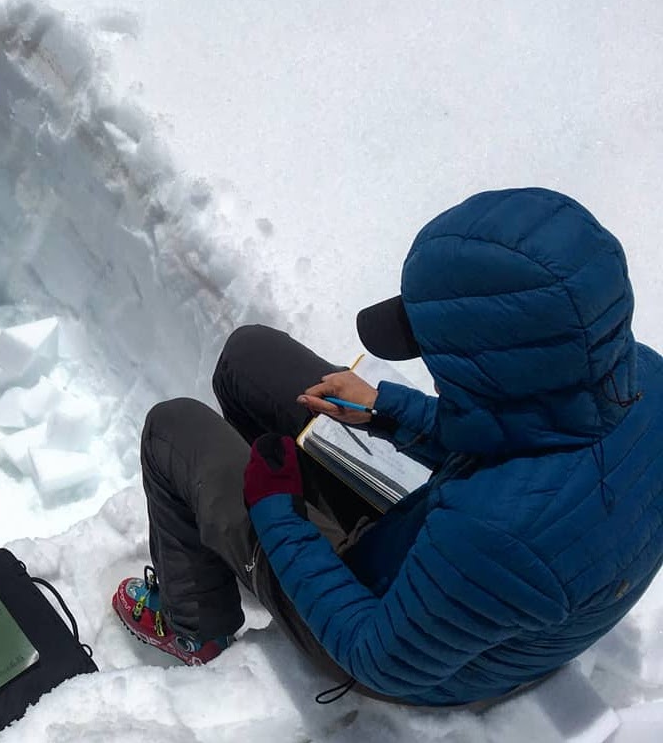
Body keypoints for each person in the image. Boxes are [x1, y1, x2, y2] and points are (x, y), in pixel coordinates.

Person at [112, 188, 663, 706]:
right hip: (450, 568)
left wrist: (278, 515)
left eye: (432, 348)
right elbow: (525, 434)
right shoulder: (638, 377)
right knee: (248, 356)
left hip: (387, 634)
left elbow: (377, 656)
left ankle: (194, 629)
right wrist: (389, 412)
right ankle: (247, 540)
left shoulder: (493, 531)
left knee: (171, 429)